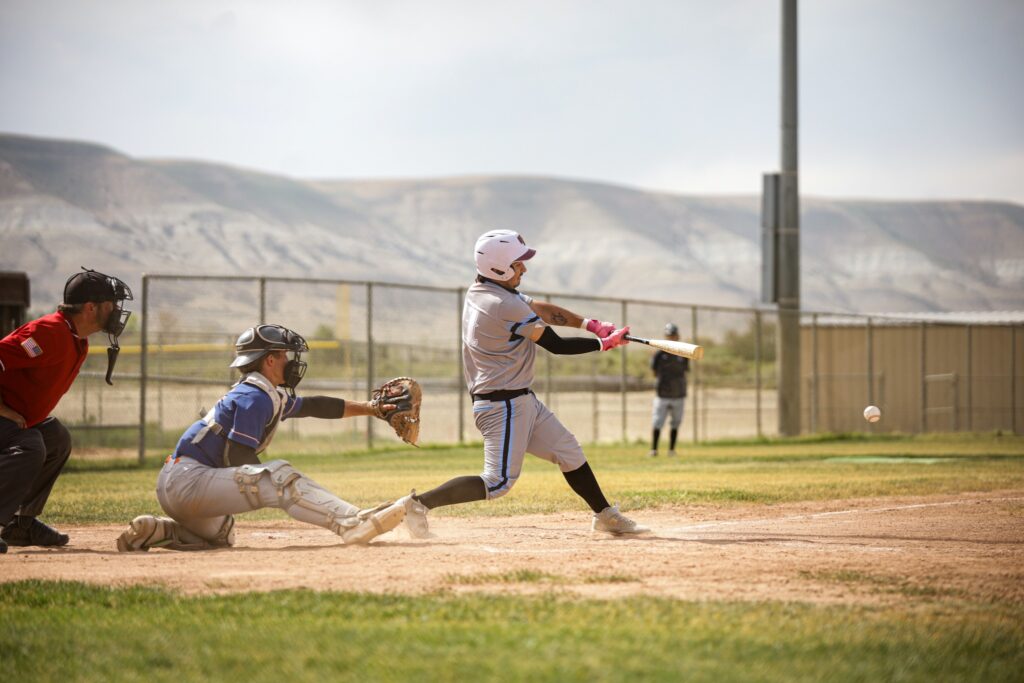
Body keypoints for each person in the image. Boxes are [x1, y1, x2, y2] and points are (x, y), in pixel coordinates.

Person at [396, 229, 649, 539]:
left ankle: (605, 515)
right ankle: (418, 504)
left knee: (568, 451)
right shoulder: (503, 305)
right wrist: (603, 344)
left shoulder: (484, 292)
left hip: (519, 399)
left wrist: (590, 325)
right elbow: (557, 346)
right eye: (518, 264)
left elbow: (539, 309)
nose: (524, 269)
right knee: (497, 482)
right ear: (499, 268)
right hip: (502, 405)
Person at [115, 324, 410, 551]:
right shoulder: (255, 397)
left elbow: (314, 406)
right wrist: (273, 484)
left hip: (179, 485)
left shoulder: (262, 392)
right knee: (279, 476)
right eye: (284, 355)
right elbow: (238, 456)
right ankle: (351, 522)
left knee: (221, 534)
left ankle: (160, 532)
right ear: (269, 361)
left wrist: (372, 409)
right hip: (189, 481)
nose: (290, 362)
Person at [0, 268, 133, 554]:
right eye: (111, 305)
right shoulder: (49, 332)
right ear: (90, 308)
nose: (117, 311)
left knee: (55, 438)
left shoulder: (76, 340)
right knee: (31, 444)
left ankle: (21, 525)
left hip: (16, 419)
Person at [648, 323, 689, 457]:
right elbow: (654, 371)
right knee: (657, 422)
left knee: (675, 423)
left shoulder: (683, 353)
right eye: (669, 335)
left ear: (678, 336)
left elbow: (685, 370)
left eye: (673, 335)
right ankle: (654, 450)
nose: (671, 338)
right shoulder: (659, 354)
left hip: (679, 394)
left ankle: (671, 451)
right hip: (662, 394)